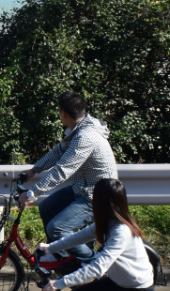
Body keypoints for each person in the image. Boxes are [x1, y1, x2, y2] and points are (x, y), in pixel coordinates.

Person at [16, 91, 118, 266]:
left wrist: (32, 193)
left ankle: (94, 265)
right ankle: (58, 253)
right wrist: (34, 170)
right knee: (47, 206)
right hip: (82, 188)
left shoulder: (86, 136)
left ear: (63, 113)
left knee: (57, 229)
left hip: (97, 196)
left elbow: (62, 170)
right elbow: (59, 151)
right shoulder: (77, 129)